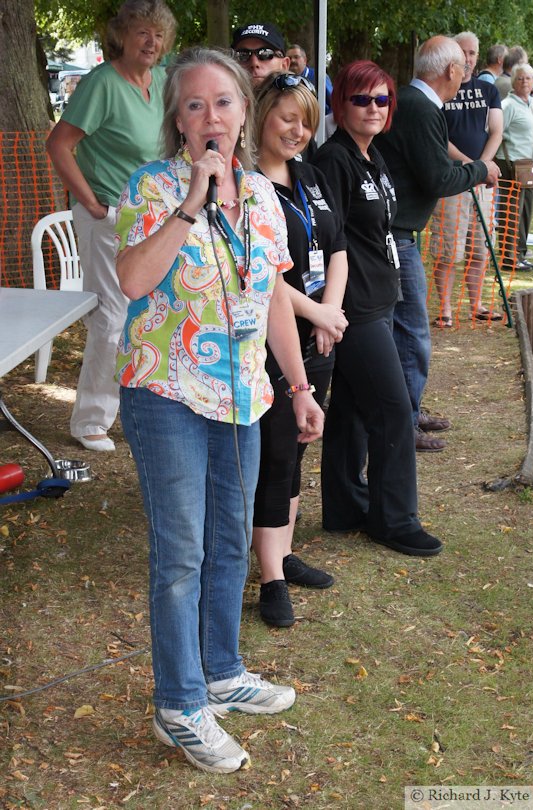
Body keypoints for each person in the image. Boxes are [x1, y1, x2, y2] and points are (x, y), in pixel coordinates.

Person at [115, 48, 324, 775]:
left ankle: (220, 673)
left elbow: (269, 297)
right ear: (178, 118)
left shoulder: (265, 198)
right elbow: (135, 279)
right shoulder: (153, 186)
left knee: (231, 541)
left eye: (224, 102)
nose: (211, 117)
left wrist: (299, 388)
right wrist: (190, 204)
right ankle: (179, 705)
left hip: (242, 395)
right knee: (182, 554)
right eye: (195, 104)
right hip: (166, 391)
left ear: (245, 110)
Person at [313, 60, 442, 557]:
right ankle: (395, 519)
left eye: (381, 99)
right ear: (340, 103)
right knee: (392, 409)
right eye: (360, 99)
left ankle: (345, 507)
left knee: (351, 409)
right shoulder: (334, 160)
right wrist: (327, 309)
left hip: (379, 299)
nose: (372, 108)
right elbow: (330, 241)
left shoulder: (372, 156)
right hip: (354, 308)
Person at [46, 0, 177, 452]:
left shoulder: (161, 81)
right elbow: (59, 145)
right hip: (110, 218)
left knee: (155, 313)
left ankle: (139, 407)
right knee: (112, 315)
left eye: (158, 35)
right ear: (122, 35)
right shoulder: (102, 82)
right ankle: (90, 421)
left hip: (155, 216)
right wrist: (92, 204)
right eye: (142, 32)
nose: (151, 42)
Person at [252, 72, 348, 627]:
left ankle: (282, 553)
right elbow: (260, 273)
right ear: (262, 114)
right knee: (278, 452)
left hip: (319, 334)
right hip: (275, 335)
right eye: (288, 117)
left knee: (302, 446)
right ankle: (270, 580)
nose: (298, 130)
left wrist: (329, 314)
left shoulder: (311, 176)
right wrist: (315, 313)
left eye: (307, 120)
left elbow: (336, 249)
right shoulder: (245, 185)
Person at [374, 36, 500, 452]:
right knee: (412, 332)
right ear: (450, 71)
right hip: (395, 236)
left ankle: (408, 412)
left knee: (407, 330)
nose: (466, 71)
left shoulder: (414, 102)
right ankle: (403, 422)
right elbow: (438, 179)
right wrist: (481, 170)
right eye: (463, 65)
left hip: (396, 232)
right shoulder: (420, 106)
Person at [430, 32, 503, 327]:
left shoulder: (488, 90)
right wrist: (470, 165)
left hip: (482, 181)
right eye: (463, 53)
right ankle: (445, 309)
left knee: (480, 246)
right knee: (448, 248)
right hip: (452, 179)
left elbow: (496, 129)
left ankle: (476, 304)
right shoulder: (441, 92)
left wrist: (483, 166)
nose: (469, 58)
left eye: (473, 52)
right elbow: (439, 136)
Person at [495, 63, 533, 272]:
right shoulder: (508, 105)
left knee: (526, 211)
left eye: (528, 78)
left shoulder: (532, 103)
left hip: (529, 166)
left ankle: (520, 254)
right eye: (520, 78)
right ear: (513, 81)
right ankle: (508, 257)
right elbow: (495, 131)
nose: (524, 81)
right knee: (511, 212)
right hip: (511, 164)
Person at [231, 22, 290, 87]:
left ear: (284, 65)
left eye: (265, 54)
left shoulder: (301, 96)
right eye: (243, 55)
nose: (254, 63)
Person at [286, 44, 333, 113]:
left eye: (296, 57)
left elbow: (334, 101)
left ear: (305, 60)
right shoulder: (284, 80)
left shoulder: (319, 76)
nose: (292, 60)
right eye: (289, 58)